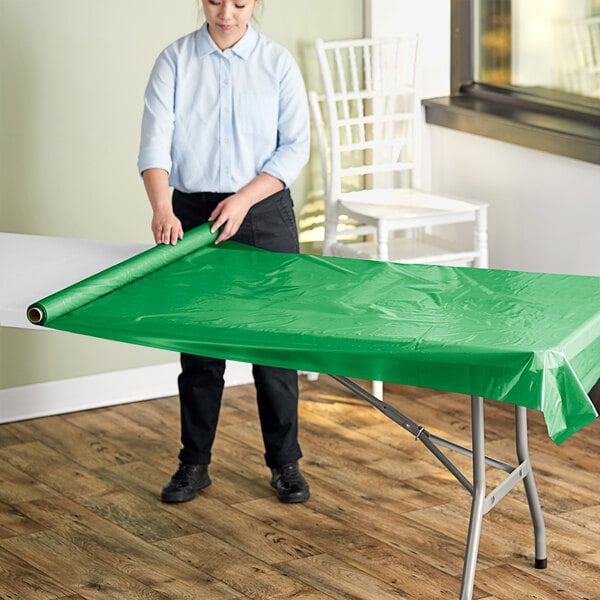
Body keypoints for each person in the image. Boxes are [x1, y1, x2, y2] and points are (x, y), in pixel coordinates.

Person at [138, 0, 310, 504]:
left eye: (240, 2)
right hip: (190, 214)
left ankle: (285, 463)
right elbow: (155, 143)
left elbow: (295, 145)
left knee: (273, 348)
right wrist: (161, 208)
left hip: (262, 209)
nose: (227, 13)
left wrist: (243, 199)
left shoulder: (277, 63)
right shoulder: (174, 60)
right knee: (200, 348)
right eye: (216, 0)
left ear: (256, 3)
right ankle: (193, 464)